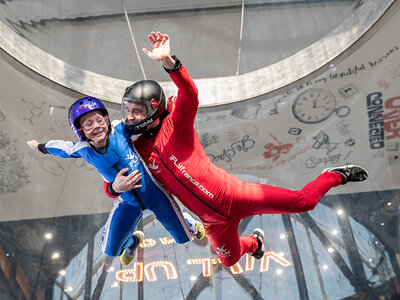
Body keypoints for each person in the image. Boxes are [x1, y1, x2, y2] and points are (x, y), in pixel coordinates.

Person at [104, 31, 368, 267]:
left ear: (153, 107)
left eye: (137, 111)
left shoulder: (176, 125)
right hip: (213, 222)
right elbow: (110, 178)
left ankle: (335, 174)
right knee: (229, 260)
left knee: (305, 202)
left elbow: (190, 95)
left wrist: (170, 64)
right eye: (127, 110)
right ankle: (254, 243)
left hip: (239, 195)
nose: (130, 117)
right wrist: (114, 187)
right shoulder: (134, 148)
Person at [27, 96, 205, 266]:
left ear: (106, 119)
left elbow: (145, 120)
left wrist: (166, 108)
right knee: (111, 250)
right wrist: (39, 146)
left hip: (155, 194)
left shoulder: (120, 129)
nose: (96, 126)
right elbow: (62, 148)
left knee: (185, 238)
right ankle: (133, 241)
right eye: (88, 124)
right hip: (127, 203)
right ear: (79, 130)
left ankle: (189, 223)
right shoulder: (83, 149)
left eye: (99, 120)